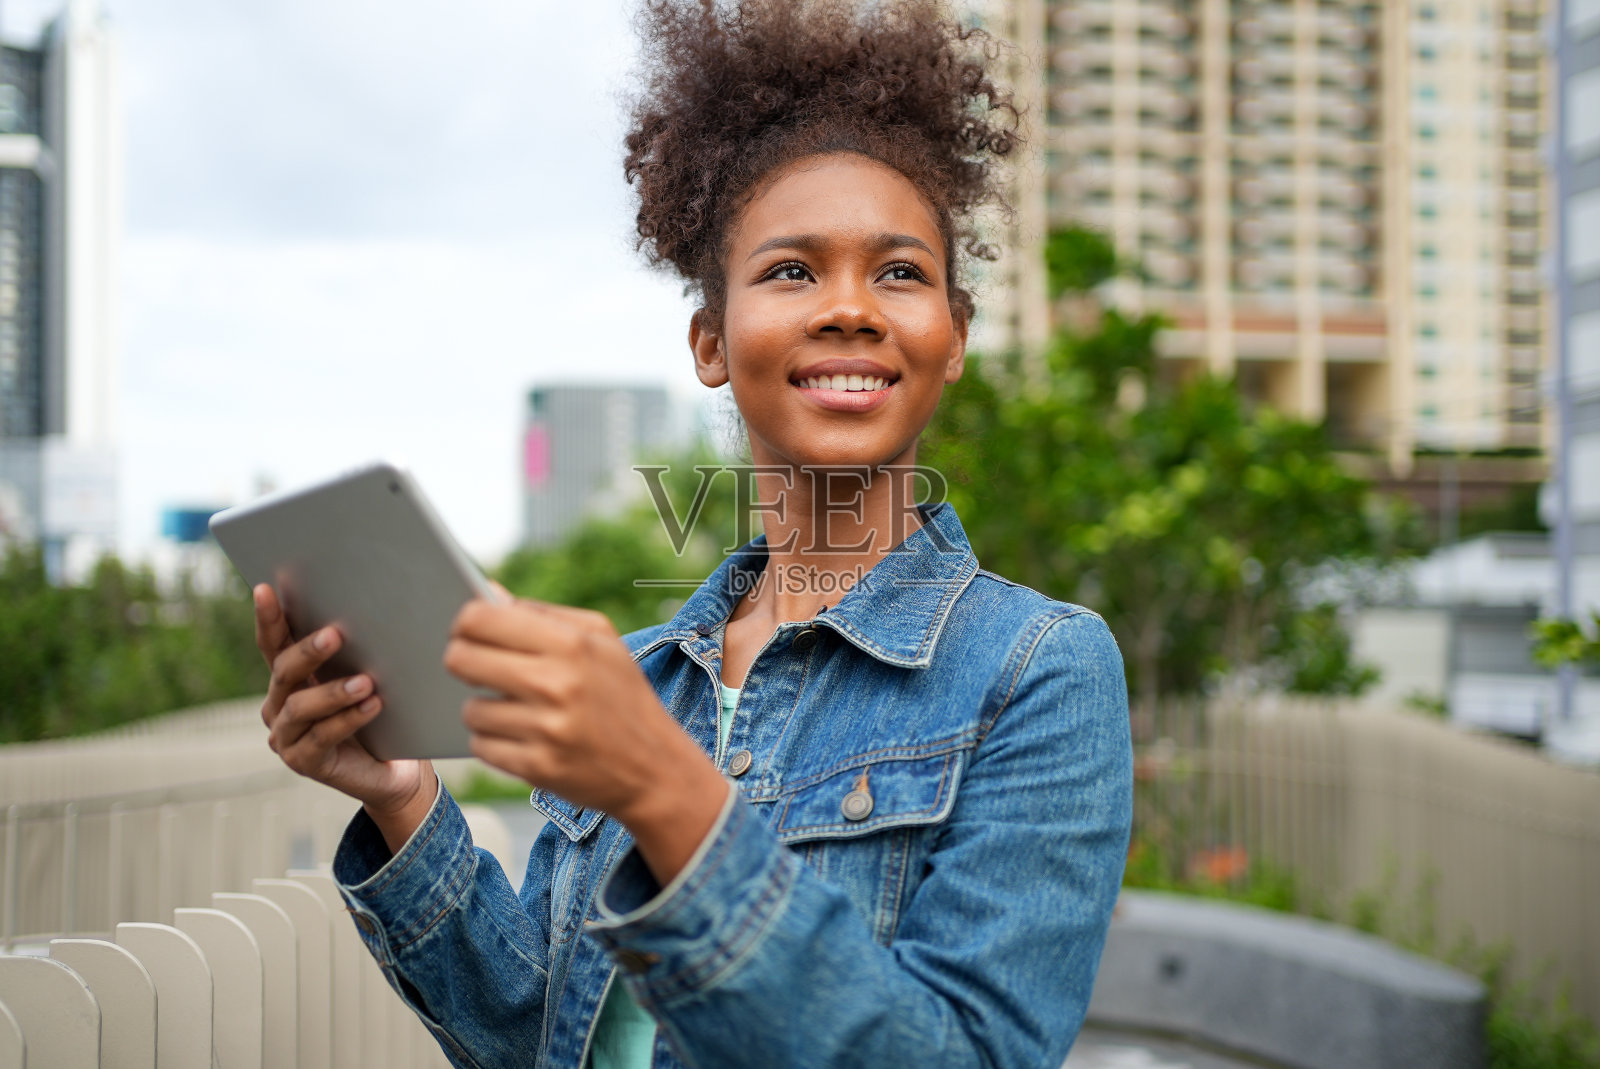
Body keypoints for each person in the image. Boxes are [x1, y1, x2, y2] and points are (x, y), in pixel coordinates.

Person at [251, 2, 1133, 1067]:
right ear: (711, 341)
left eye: (899, 272)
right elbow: (544, 1038)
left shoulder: (1036, 672)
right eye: (791, 270)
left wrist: (669, 798)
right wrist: (402, 801)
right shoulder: (641, 679)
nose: (850, 307)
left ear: (952, 340)